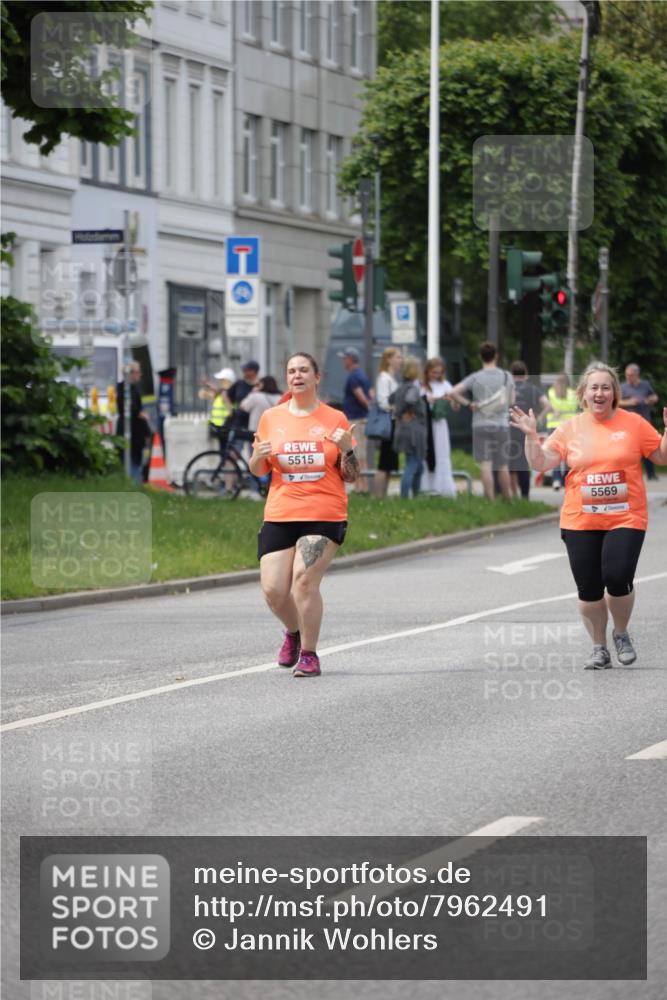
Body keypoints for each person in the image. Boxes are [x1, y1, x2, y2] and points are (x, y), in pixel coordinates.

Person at [510, 361, 667, 670]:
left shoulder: (633, 423)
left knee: (618, 577)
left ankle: (620, 633)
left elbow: (661, 457)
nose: (599, 393)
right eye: (593, 387)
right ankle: (599, 646)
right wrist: (531, 436)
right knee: (589, 588)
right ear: (583, 394)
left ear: (615, 394)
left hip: (626, 516)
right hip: (580, 519)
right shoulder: (570, 428)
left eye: (605, 387)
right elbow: (541, 463)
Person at [249, 352, 358, 678]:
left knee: (304, 581)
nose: (297, 375)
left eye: (303, 370)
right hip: (281, 512)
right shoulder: (271, 417)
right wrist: (256, 456)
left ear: (316, 376)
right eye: (291, 370)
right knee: (272, 590)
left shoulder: (334, 419)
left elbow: (351, 475)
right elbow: (258, 470)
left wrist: (347, 448)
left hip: (324, 512)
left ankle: (309, 654)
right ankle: (293, 632)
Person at [449, 341, 515, 502]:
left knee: (485, 464)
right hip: (501, 425)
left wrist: (468, 404)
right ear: (496, 356)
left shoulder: (475, 377)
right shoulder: (507, 376)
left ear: (480, 357)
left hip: (480, 424)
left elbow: (453, 392)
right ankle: (508, 499)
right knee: (502, 465)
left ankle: (490, 500)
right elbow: (512, 401)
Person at [508, 361, 550, 499]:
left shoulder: (508, 389)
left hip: (509, 428)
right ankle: (525, 497)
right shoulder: (533, 389)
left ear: (511, 374)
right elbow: (547, 405)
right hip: (527, 431)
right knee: (523, 463)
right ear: (525, 374)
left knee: (511, 465)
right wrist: (538, 419)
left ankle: (513, 497)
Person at [392, 356, 427, 499]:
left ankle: (415, 496)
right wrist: (408, 411)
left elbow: (390, 398)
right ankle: (405, 497)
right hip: (414, 430)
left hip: (403, 429)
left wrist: (398, 412)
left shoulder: (401, 387)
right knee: (412, 464)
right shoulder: (413, 387)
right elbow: (410, 399)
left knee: (417, 465)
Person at [421, 357, 457, 498]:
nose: (436, 375)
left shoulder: (445, 384)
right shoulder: (422, 385)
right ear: (427, 371)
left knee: (441, 453)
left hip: (440, 424)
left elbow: (455, 406)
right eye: (433, 372)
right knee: (428, 453)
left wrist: (451, 400)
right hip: (426, 424)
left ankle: (442, 487)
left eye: (439, 373)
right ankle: (427, 487)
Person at [338, 347, 373, 493]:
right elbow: (371, 393)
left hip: (356, 419)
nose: (343, 360)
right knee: (360, 453)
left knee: (358, 454)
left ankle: (361, 487)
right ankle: (362, 485)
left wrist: (369, 409)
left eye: (345, 358)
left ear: (351, 359)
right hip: (361, 419)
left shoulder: (353, 377)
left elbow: (361, 396)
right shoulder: (362, 375)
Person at [619, 363, 659, 480]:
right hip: (628, 424)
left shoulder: (645, 385)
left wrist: (651, 399)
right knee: (629, 449)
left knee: (647, 448)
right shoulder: (622, 387)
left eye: (631, 375)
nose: (628, 377)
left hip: (645, 421)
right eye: (627, 375)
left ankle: (651, 474)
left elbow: (655, 397)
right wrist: (629, 402)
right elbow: (616, 403)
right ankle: (627, 474)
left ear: (637, 375)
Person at [374, 346, 403, 498]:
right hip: (388, 422)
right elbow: (383, 402)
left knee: (390, 462)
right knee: (384, 462)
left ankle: (383, 495)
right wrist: (396, 408)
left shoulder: (392, 378)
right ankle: (378, 495)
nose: (400, 360)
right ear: (389, 359)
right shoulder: (384, 378)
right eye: (398, 357)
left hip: (394, 421)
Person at [116, 361, 151, 484]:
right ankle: (133, 486)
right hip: (131, 433)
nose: (140, 375)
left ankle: (135, 483)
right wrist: (140, 414)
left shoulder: (134, 388)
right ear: (131, 374)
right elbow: (129, 407)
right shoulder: (124, 389)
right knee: (131, 463)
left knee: (136, 461)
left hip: (136, 435)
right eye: (138, 372)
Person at [545, 373, 578, 490]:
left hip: (553, 427)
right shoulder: (573, 394)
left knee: (556, 455)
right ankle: (567, 479)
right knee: (569, 454)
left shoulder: (550, 392)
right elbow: (576, 409)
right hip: (569, 428)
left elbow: (547, 407)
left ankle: (556, 480)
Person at [199, 367, 234, 439]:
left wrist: (207, 385)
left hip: (225, 429)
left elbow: (231, 412)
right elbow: (202, 395)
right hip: (218, 429)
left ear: (227, 381)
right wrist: (206, 385)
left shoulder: (228, 394)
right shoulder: (221, 393)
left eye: (222, 380)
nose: (220, 382)